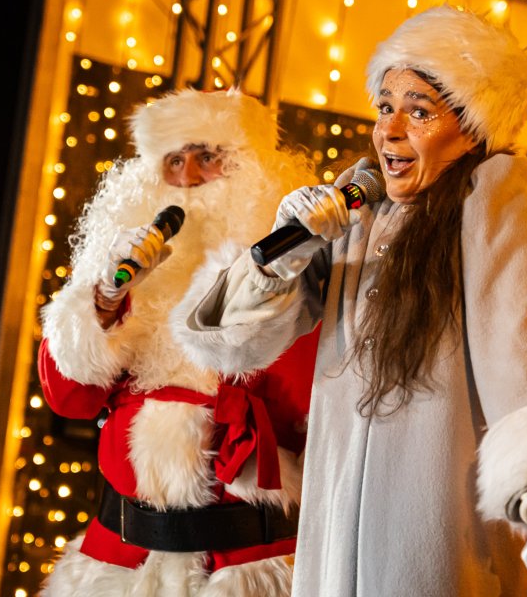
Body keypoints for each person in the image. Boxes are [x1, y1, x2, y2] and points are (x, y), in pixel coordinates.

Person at [174, 6, 527, 596]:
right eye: (385, 107)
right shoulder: (359, 206)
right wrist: (286, 250)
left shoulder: (494, 192)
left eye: (419, 111)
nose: (390, 130)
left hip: (436, 539)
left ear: (473, 126)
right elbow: (229, 340)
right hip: (332, 542)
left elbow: (525, 351)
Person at [37, 88, 319, 596]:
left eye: (207, 157)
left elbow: (305, 403)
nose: (187, 177)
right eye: (173, 161)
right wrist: (102, 304)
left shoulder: (301, 269)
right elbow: (69, 397)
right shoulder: (118, 275)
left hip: (248, 564)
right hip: (120, 561)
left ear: (249, 169)